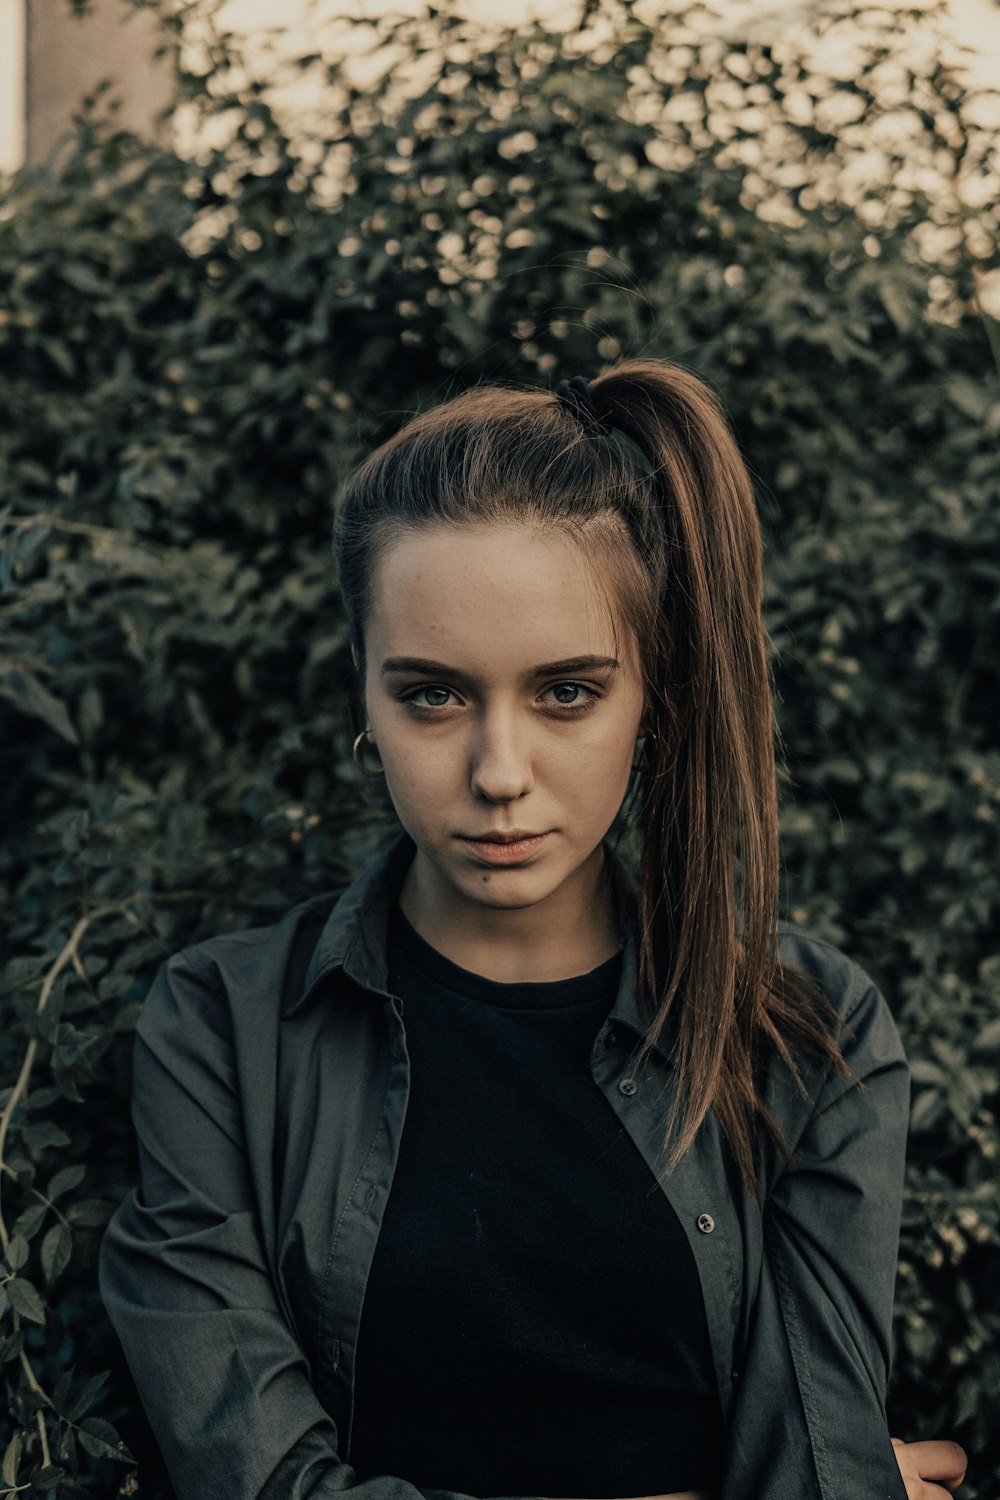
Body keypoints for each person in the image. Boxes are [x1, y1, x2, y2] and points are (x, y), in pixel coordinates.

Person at [98, 359, 968, 1500]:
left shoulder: (808, 1035)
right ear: (361, 692)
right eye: (431, 694)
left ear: (650, 695)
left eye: (567, 692)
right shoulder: (220, 1031)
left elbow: (815, 1466)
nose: (498, 774)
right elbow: (258, 1484)